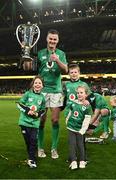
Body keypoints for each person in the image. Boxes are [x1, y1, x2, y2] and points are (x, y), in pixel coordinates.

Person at [37, 29, 68, 159]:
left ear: (57, 40)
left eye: (55, 39)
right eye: (50, 38)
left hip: (56, 91)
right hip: (42, 91)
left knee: (55, 120)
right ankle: (40, 148)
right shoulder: (40, 53)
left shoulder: (61, 53)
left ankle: (54, 149)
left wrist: (57, 60)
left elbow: (66, 70)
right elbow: (30, 68)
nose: (52, 41)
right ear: (47, 39)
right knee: (41, 121)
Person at [17, 75, 46, 168]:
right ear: (33, 84)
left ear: (42, 86)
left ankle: (31, 160)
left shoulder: (42, 97)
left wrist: (38, 114)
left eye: (39, 83)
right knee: (28, 142)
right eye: (36, 83)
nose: (37, 84)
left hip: (34, 123)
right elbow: (19, 104)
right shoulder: (27, 94)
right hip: (24, 122)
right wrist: (27, 110)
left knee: (33, 140)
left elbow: (43, 109)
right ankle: (32, 156)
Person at [66, 85, 92, 170]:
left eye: (81, 93)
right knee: (72, 145)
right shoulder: (73, 103)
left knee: (80, 145)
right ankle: (73, 162)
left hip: (80, 129)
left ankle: (82, 161)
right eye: (78, 93)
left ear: (86, 94)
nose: (79, 94)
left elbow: (87, 119)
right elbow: (70, 113)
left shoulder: (87, 106)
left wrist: (83, 130)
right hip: (71, 128)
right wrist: (67, 122)